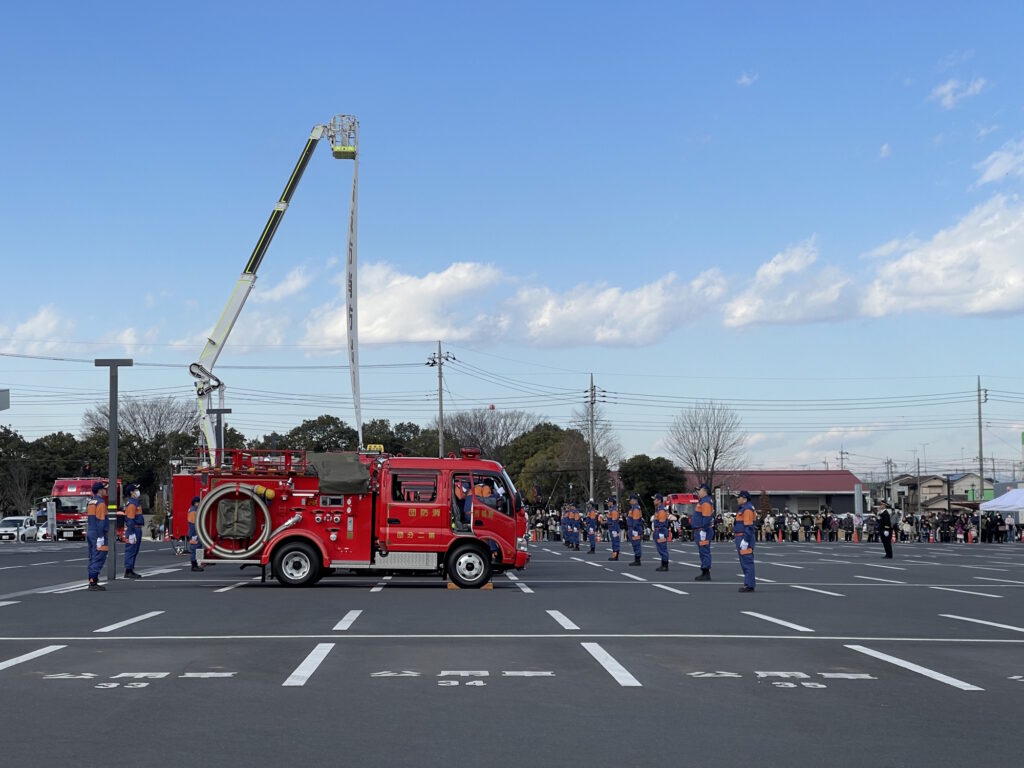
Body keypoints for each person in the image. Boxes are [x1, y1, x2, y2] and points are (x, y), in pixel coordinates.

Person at [86, 481, 109, 591]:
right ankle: (93, 582)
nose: (106, 490)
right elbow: (101, 521)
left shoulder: (91, 502)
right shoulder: (100, 503)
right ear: (100, 490)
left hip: (91, 531)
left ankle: (92, 579)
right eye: (104, 489)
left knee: (93, 557)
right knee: (99, 557)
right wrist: (101, 537)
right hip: (98, 533)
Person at [734, 490, 757, 592]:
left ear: (744, 498)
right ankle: (747, 583)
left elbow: (749, 526)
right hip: (741, 536)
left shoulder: (747, 509)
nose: (737, 499)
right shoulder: (744, 508)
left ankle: (749, 585)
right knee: (744, 562)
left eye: (739, 497)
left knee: (747, 561)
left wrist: (746, 540)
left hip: (744, 537)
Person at [692, 483, 714, 581]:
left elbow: (707, 517)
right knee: (703, 551)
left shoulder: (705, 502)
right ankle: (705, 571)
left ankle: (706, 572)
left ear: (704, 491)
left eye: (700, 490)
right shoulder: (703, 501)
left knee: (704, 551)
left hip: (703, 530)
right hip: (700, 530)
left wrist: (704, 531)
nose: (698, 492)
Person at [122, 484, 144, 579]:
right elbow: (130, 519)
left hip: (137, 528)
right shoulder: (132, 504)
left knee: (134, 550)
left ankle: (130, 569)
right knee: (131, 550)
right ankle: (128, 570)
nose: (137, 492)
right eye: (135, 490)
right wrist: (131, 533)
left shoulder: (135, 502)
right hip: (134, 529)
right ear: (131, 492)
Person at [652, 494, 670, 571]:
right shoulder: (658, 509)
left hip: (660, 531)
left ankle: (665, 565)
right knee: (660, 548)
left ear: (659, 500)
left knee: (662, 548)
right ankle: (663, 564)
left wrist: (661, 533)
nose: (653, 501)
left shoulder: (661, 510)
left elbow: (662, 522)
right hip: (658, 530)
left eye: (655, 499)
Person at [187, 495, 204, 572]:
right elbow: (194, 524)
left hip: (194, 533)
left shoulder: (194, 510)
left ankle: (198, 563)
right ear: (195, 503)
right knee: (194, 548)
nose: (199, 504)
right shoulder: (193, 511)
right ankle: (194, 565)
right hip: (194, 533)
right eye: (198, 502)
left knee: (198, 547)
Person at [627, 494, 644, 566]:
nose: (629, 502)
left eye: (630, 500)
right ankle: (637, 559)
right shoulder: (634, 508)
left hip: (634, 529)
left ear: (634, 500)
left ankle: (637, 560)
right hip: (632, 528)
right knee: (635, 544)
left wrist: (635, 530)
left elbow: (636, 520)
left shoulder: (636, 508)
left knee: (636, 544)